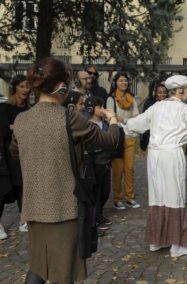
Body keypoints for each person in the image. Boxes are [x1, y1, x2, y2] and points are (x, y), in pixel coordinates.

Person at [9, 57, 119, 284]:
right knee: (64, 271)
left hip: (34, 207)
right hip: (63, 208)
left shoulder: (21, 119)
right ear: (62, 86)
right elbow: (109, 140)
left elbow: (15, 151)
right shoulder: (68, 118)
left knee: (38, 266)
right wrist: (113, 119)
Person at [124, 75, 187, 258]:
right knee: (174, 197)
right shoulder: (184, 109)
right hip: (172, 154)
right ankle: (177, 245)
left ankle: (156, 240)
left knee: (157, 196)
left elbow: (135, 124)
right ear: (181, 90)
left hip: (154, 156)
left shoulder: (156, 107)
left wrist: (121, 125)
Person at [0, 75, 30, 239]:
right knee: (4, 190)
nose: (25, 90)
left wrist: (14, 127)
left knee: (22, 187)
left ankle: (23, 220)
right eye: (22, 86)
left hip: (22, 153)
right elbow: (3, 130)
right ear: (15, 88)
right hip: (5, 154)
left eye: (27, 86)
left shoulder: (28, 109)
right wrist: (17, 127)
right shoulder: (4, 108)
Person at [106, 71, 140, 210]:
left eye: (125, 81)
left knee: (130, 169)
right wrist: (122, 121)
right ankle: (117, 198)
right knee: (118, 170)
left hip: (130, 137)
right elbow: (110, 117)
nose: (124, 83)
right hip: (117, 138)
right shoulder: (111, 99)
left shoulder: (131, 99)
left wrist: (125, 120)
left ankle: (129, 197)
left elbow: (137, 118)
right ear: (115, 83)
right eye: (121, 80)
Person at [84, 96, 113, 235]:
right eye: (99, 107)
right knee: (96, 193)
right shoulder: (89, 125)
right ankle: (94, 220)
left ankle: (99, 215)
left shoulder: (105, 124)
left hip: (106, 163)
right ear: (91, 108)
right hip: (96, 164)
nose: (102, 110)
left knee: (105, 192)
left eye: (103, 106)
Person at [139, 80, 168, 151]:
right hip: (152, 138)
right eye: (160, 92)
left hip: (165, 139)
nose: (162, 94)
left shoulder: (169, 104)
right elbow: (143, 121)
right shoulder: (149, 103)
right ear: (155, 93)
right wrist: (143, 139)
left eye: (164, 92)